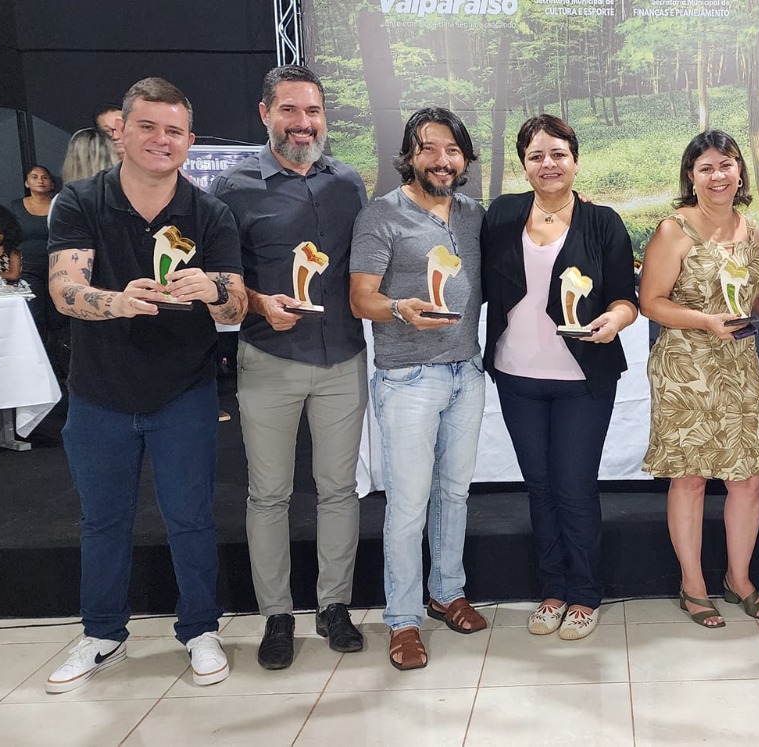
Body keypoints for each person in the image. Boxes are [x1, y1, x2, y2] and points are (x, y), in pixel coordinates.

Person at [42, 77, 247, 694]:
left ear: (189, 140)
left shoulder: (208, 212)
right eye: (149, 127)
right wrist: (117, 301)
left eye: (175, 131)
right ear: (122, 133)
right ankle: (103, 631)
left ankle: (200, 629)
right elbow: (63, 291)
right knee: (102, 520)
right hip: (100, 391)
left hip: (182, 391)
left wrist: (212, 290)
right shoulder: (80, 202)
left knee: (190, 517)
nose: (162, 140)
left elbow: (235, 301)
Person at [212, 65, 369, 670]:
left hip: (343, 359)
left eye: (313, 113)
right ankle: (276, 615)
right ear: (265, 114)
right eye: (290, 111)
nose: (303, 125)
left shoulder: (348, 183)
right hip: (269, 359)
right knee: (269, 493)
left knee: (338, 491)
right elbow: (222, 281)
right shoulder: (232, 187)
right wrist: (256, 301)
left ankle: (334, 607)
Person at [481, 114, 639, 641]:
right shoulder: (501, 215)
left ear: (575, 159)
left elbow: (625, 298)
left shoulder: (603, 222)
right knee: (540, 487)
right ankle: (552, 589)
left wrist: (615, 320)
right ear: (523, 164)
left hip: (582, 379)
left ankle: (585, 593)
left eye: (558, 154)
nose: (548, 164)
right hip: (515, 374)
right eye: (536, 156)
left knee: (574, 487)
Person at [350, 106, 489, 671]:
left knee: (453, 494)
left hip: (466, 372)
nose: (442, 160)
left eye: (452, 150)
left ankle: (447, 592)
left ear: (464, 158)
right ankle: (403, 621)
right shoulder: (380, 216)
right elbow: (361, 297)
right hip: (407, 378)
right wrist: (399, 310)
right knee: (407, 506)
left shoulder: (475, 215)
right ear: (409, 154)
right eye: (429, 149)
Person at [641, 130, 759, 629]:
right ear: (691, 176)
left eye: (726, 164)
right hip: (686, 370)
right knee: (692, 477)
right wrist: (705, 321)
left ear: (740, 170)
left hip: (740, 368)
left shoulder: (754, 230)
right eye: (706, 167)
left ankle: (738, 579)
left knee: (747, 479)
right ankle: (693, 584)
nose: (717, 175)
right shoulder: (674, 229)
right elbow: (650, 301)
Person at [11, 166, 56, 326]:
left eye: (45, 177)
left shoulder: (61, 205)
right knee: (34, 315)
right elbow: (11, 241)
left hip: (57, 269)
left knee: (58, 317)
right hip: (29, 270)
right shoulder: (16, 207)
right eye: (34, 177)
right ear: (26, 183)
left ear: (51, 183)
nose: (40, 181)